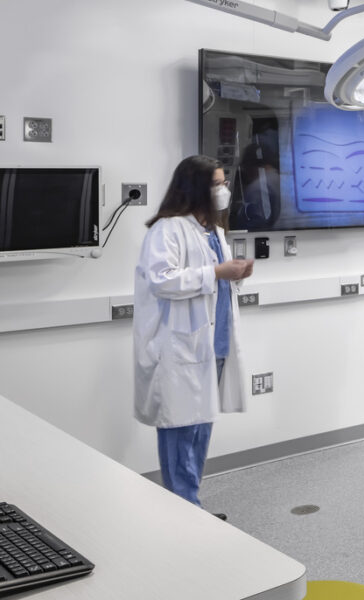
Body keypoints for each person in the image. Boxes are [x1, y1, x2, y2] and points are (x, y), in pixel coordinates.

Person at [133, 155, 254, 518]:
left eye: (223, 183)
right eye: (217, 184)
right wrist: (217, 271)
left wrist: (235, 273)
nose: (224, 190)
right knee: (180, 433)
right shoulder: (167, 230)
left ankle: (190, 507)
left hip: (212, 345)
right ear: (197, 188)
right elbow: (162, 280)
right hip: (178, 347)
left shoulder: (213, 231)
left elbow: (217, 282)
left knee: (199, 431)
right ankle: (184, 513)